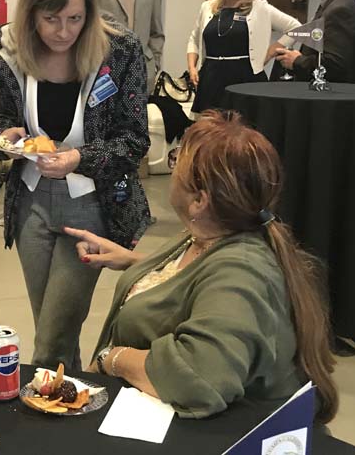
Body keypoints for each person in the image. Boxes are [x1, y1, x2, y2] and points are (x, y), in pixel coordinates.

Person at [66, 110, 338, 422]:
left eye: (175, 161)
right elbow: (195, 280)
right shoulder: (206, 235)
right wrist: (136, 263)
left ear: (200, 200)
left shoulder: (242, 273)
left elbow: (201, 379)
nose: (173, 168)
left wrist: (112, 359)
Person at [0, 0, 151, 372]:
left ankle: (45, 418)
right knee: (53, 329)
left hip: (92, 208)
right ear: (31, 16)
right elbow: (2, 118)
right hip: (31, 206)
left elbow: (134, 140)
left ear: (91, 14)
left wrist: (79, 158)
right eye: (51, 19)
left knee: (51, 342)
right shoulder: (10, 50)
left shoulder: (120, 52)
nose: (63, 32)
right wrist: (6, 136)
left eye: (75, 19)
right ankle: (68, 406)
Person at [187, 0, 301, 113]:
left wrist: (271, 51)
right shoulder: (207, 6)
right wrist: (192, 67)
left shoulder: (261, 8)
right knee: (211, 131)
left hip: (245, 80)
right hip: (211, 78)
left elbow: (296, 27)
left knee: (244, 129)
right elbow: (194, 39)